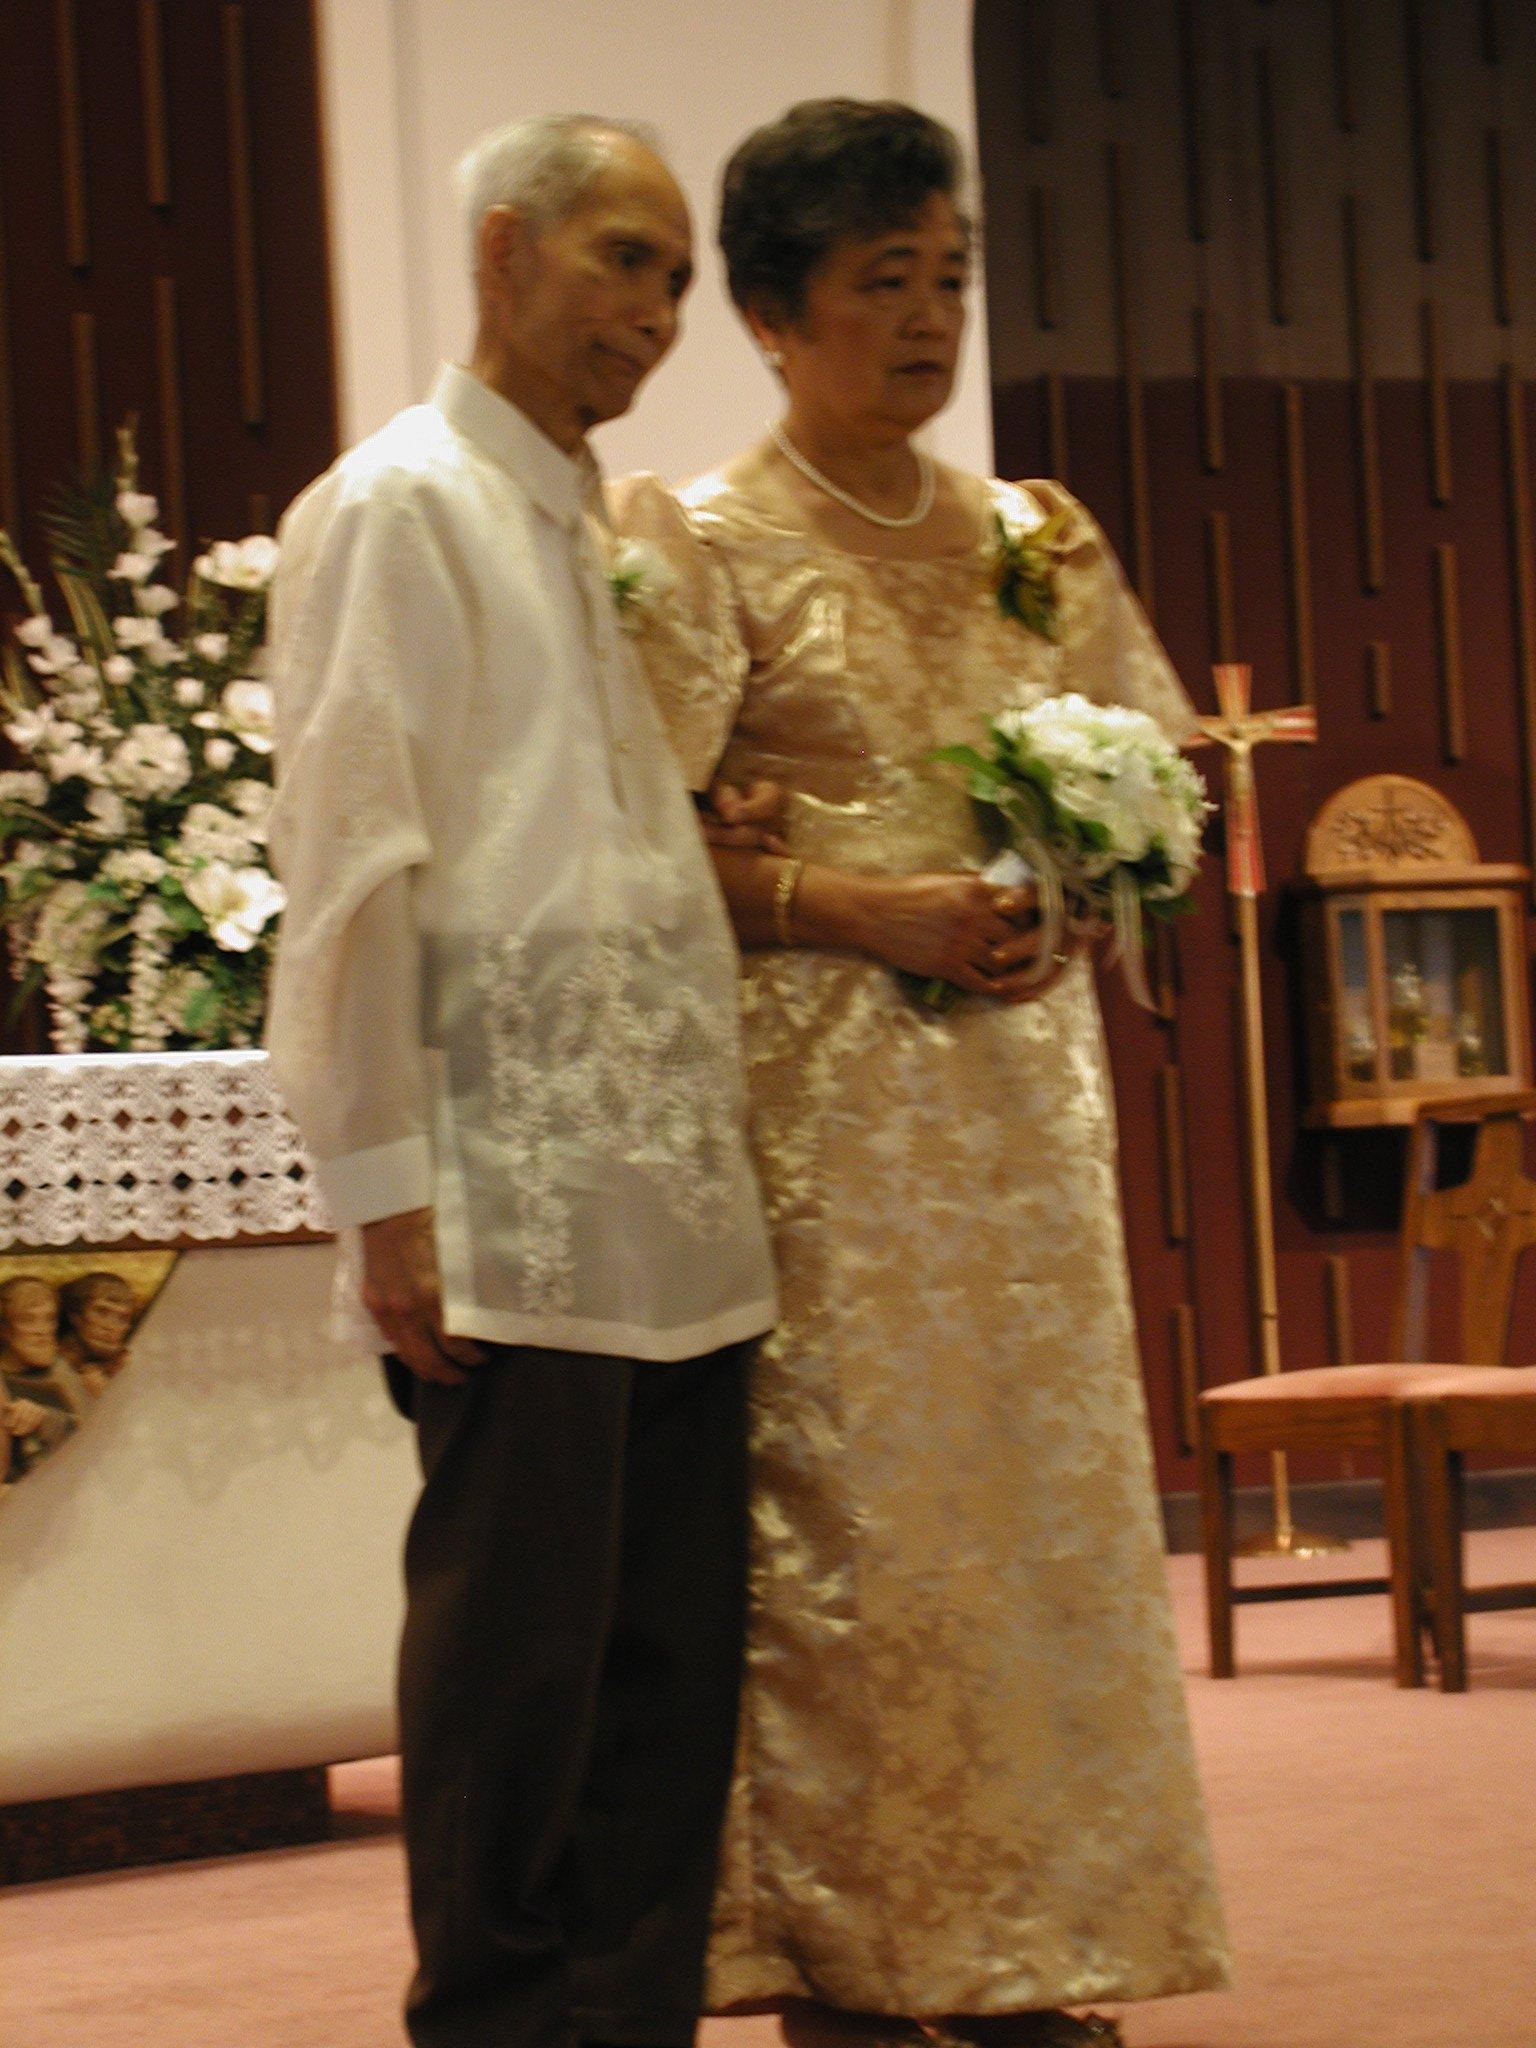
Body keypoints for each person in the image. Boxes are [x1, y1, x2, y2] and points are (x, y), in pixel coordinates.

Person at [612, 99, 1229, 2048]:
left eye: (951, 277)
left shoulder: (1040, 536)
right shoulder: (701, 542)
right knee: (855, 1548)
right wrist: (854, 902)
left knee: (1039, 1534)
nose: (931, 317)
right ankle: (861, 1960)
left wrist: (1093, 877)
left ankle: (1034, 1943)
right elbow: (631, 853)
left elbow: (1148, 778)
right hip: (828, 1127)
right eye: (886, 281)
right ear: (773, 315)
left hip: (1021, 1123)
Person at [265, 114, 777, 2048]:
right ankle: (493, 2023)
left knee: (664, 1673)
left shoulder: (587, 521)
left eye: (675, 279)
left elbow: (567, 828)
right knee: (518, 1669)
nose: (655, 310)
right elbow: (355, 861)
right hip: (514, 1185)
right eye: (620, 258)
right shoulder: (400, 503)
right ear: (502, 253)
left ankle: (630, 2017)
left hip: (674, 1201)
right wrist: (383, 1186)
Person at [0, 1275, 80, 1478]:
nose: (42, 1331)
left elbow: (98, 1439)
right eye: (28, 1320)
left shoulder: (62, 1373)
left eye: (50, 1319)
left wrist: (46, 1420)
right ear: (4, 1328)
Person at [57, 1271, 138, 1393]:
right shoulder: (51, 1361)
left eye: (122, 1318)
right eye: (101, 1312)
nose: (111, 1326)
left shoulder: (127, 1365)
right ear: (76, 1316)